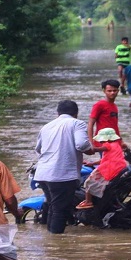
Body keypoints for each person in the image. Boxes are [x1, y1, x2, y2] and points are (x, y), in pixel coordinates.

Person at [34, 100, 97, 234]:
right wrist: (91, 150)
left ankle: (50, 241)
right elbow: (81, 145)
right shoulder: (77, 123)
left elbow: (38, 149)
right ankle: (56, 243)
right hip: (62, 174)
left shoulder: (46, 126)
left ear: (58, 113)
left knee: (53, 206)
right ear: (76, 113)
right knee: (59, 209)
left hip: (42, 173)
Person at [76, 128, 128, 209]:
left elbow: (96, 149)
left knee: (89, 182)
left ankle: (88, 201)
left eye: (101, 140)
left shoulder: (108, 145)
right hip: (119, 168)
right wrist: (91, 163)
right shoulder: (117, 145)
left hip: (109, 169)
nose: (100, 142)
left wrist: (83, 148)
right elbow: (104, 159)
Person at [88, 79, 122, 144]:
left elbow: (115, 125)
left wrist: (120, 140)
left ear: (118, 91)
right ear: (104, 91)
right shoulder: (99, 105)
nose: (112, 93)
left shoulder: (114, 106)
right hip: (102, 143)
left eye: (114, 90)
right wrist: (90, 142)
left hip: (114, 142)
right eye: (109, 91)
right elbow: (90, 123)